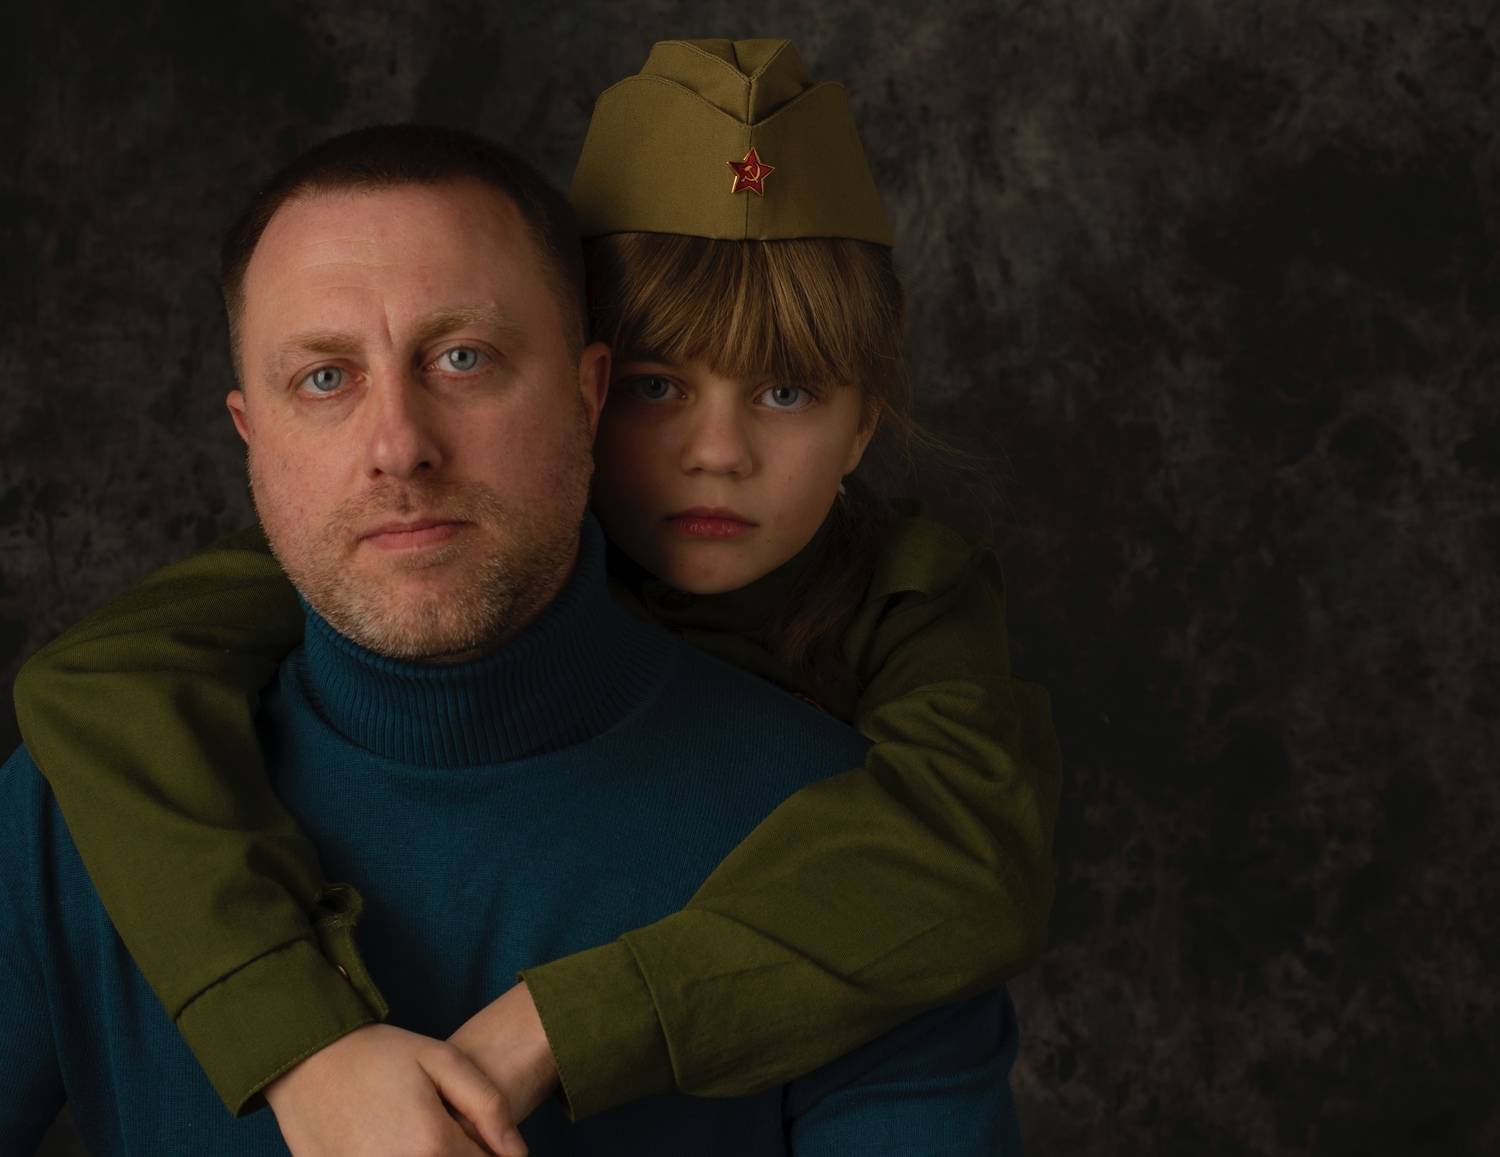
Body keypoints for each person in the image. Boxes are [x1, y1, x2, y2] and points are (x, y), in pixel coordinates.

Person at [9, 38, 1060, 1155]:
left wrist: (562, 1025)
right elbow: (96, 679)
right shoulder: (90, 799)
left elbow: (977, 847)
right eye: (324, 378)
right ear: (250, 434)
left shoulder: (865, 849)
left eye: (463, 358)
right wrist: (297, 1042)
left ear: (580, 392)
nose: (398, 447)